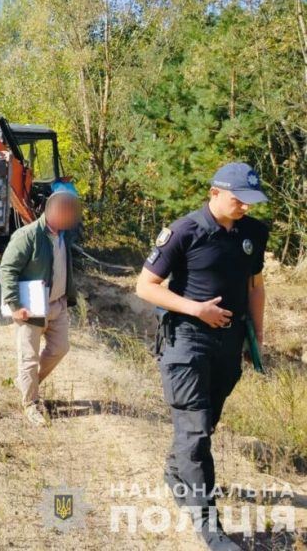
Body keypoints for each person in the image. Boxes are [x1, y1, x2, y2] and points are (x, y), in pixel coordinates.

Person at [135, 162, 269, 551]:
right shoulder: (184, 231)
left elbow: (255, 286)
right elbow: (145, 286)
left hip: (229, 344)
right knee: (194, 435)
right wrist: (196, 309)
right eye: (237, 199)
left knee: (203, 426)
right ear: (214, 193)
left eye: (250, 201)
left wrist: (256, 335)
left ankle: (176, 471)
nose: (245, 206)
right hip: (187, 340)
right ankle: (211, 530)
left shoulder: (253, 233)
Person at [0, 181, 82, 427]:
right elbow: (7, 270)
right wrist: (15, 306)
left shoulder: (63, 236)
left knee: (60, 348)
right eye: (66, 211)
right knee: (29, 358)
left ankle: (26, 382)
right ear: (52, 210)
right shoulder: (27, 235)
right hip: (32, 305)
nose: (70, 217)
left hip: (57, 305)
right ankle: (30, 404)